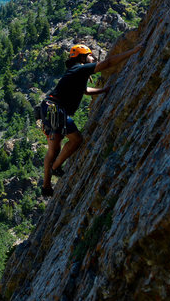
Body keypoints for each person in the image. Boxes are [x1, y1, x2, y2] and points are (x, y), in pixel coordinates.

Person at [39, 43, 142, 197]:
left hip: (48, 110)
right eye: (90, 55)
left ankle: (46, 186)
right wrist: (132, 51)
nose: (93, 58)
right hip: (56, 109)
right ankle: (55, 167)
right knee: (76, 140)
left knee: (54, 149)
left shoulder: (75, 73)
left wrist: (103, 90)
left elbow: (85, 91)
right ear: (82, 57)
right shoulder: (80, 69)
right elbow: (107, 63)